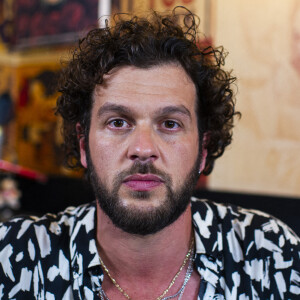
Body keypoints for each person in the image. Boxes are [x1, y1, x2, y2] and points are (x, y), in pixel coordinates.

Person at [0, 7, 299, 300]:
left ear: (203, 149)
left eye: (170, 124)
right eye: (118, 122)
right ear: (83, 145)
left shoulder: (270, 253)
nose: (143, 149)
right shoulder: (15, 257)